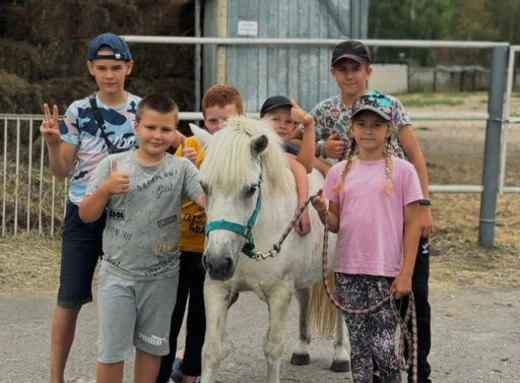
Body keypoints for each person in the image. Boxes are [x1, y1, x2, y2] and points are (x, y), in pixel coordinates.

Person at [292, 40, 434, 383]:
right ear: (333, 73)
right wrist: (324, 149)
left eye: (356, 68)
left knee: (413, 294)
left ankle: (417, 371)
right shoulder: (325, 111)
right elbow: (295, 142)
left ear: (368, 71)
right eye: (342, 68)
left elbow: (414, 154)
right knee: (362, 324)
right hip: (355, 216)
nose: (349, 75)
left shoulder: (390, 107)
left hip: (400, 206)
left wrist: (425, 205)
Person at [79, 93, 204, 383]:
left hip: (162, 276)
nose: (157, 135)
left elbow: (205, 198)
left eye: (165, 129)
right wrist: (104, 190)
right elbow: (86, 214)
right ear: (136, 127)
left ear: (175, 132)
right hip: (118, 275)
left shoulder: (181, 168)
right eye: (150, 127)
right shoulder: (112, 166)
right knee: (112, 351)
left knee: (151, 348)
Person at [39, 32, 140, 383]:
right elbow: (61, 171)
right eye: (101, 68)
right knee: (69, 297)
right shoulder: (77, 111)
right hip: (83, 210)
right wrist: (53, 144)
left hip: (129, 214)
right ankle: (56, 377)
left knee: (133, 297)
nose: (109, 75)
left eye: (115, 67)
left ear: (129, 67)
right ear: (90, 69)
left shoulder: (142, 110)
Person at [311, 93, 423, 383]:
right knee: (358, 350)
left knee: (384, 348)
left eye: (377, 125)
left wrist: (406, 273)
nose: (369, 131)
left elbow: (412, 224)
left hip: (385, 272)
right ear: (352, 128)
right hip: (348, 270)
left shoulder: (404, 171)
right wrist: (323, 211)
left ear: (389, 130)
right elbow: (334, 224)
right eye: (362, 124)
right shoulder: (337, 172)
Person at [156, 84, 245, 383]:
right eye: (212, 120)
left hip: (211, 248)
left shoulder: (240, 154)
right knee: (170, 314)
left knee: (201, 318)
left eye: (226, 120)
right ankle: (161, 370)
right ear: (204, 120)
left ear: (240, 117)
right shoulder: (191, 146)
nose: (219, 128)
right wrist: (188, 168)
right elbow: (170, 190)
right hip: (180, 245)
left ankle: (191, 372)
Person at [260, 95, 331, 176]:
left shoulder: (287, 146)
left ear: (294, 126)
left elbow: (308, 167)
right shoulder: (252, 144)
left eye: (288, 121)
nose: (282, 126)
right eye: (275, 119)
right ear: (260, 121)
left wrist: (309, 124)